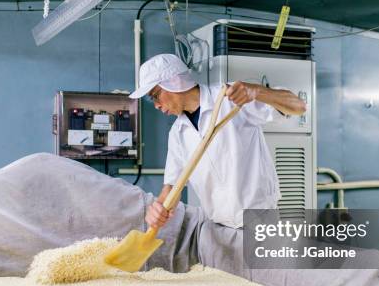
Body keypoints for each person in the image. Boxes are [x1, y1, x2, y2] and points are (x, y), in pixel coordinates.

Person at [129, 54, 306, 229]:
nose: (156, 105)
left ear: (174, 82)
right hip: (219, 226)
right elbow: (172, 186)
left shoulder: (229, 99)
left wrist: (257, 91)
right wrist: (158, 207)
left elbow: (299, 106)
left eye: (155, 96)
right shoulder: (177, 132)